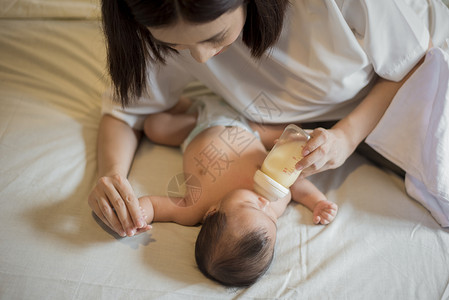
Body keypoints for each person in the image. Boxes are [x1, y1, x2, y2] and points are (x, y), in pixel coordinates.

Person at [88, 0, 449, 238]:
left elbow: (416, 59)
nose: (200, 59)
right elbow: (126, 111)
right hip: (306, 124)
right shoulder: (156, 17)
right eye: (176, 47)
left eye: (215, 37)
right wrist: (111, 177)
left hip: (415, 78)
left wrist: (347, 136)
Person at [136, 95, 338, 287]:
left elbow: (154, 206)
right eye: (272, 219)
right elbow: (294, 183)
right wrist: (317, 202)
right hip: (248, 126)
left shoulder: (194, 208)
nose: (265, 204)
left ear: (212, 211)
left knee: (154, 127)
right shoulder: (275, 202)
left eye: (251, 206)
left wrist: (137, 216)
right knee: (296, 135)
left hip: (199, 126)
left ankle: (187, 104)